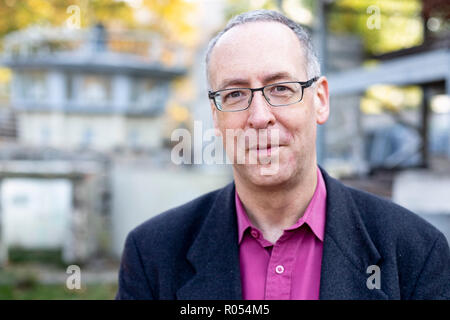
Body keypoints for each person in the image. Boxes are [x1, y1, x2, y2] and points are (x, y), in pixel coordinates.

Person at [116, 9, 450, 300]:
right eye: (235, 94)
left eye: (280, 88)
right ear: (216, 117)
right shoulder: (153, 255)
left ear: (319, 100)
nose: (260, 116)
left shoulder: (416, 253)